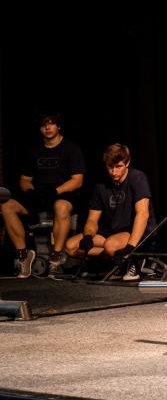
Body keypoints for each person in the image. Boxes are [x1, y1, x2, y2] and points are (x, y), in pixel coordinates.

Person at [1, 112, 85, 278]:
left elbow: (77, 180)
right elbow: (24, 180)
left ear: (58, 126)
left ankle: (55, 259)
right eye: (43, 125)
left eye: (51, 123)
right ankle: (24, 256)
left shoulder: (71, 148)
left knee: (61, 206)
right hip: (39, 195)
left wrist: (55, 191)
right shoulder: (34, 150)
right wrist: (31, 192)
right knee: (7, 206)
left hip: (62, 194)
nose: (47, 127)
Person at [65, 143, 155, 281]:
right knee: (70, 246)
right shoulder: (100, 184)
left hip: (135, 231)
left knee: (110, 245)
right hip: (112, 232)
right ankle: (118, 259)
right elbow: (92, 219)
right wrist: (88, 236)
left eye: (118, 167)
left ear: (127, 163)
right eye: (110, 167)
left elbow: (143, 214)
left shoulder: (137, 177)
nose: (113, 172)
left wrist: (130, 246)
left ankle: (133, 259)